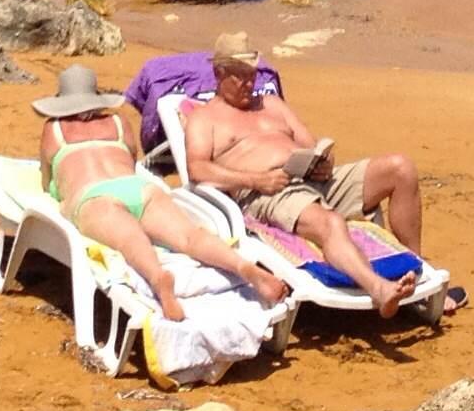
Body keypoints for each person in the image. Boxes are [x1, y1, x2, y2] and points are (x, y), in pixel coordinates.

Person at [177, 32, 427, 316]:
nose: (249, 83)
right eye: (240, 77)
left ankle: (417, 268)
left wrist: (323, 163)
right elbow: (197, 169)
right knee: (330, 222)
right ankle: (379, 289)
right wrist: (256, 180)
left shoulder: (271, 104)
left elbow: (311, 143)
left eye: (253, 75)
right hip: (271, 191)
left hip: (312, 179)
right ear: (219, 72)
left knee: (400, 168)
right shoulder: (204, 118)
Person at [38, 64, 291, 321]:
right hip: (138, 188)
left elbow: (47, 179)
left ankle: (158, 278)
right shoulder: (118, 122)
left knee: (131, 239)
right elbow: (130, 160)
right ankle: (244, 267)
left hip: (94, 196)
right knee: (190, 237)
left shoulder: (54, 129)